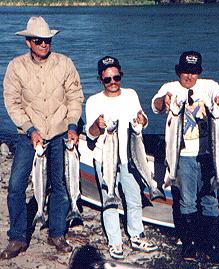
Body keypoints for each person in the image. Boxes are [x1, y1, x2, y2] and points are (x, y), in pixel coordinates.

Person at [1, 16, 84, 259]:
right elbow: (12, 103)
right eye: (38, 41)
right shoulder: (16, 67)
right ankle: (17, 237)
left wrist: (72, 125)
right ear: (28, 42)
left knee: (58, 186)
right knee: (16, 186)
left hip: (59, 134)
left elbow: (75, 97)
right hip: (29, 137)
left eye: (47, 40)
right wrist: (30, 129)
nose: (44, 45)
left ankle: (57, 233)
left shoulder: (65, 63)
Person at [151, 51, 219, 264]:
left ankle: (210, 244)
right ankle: (190, 244)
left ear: (200, 72)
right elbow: (156, 105)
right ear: (178, 71)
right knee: (187, 202)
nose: (189, 76)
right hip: (183, 156)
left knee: (210, 200)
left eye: (194, 72)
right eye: (185, 71)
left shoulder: (208, 85)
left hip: (208, 155)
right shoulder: (170, 88)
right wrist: (164, 101)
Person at [85, 56, 158, 260]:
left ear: (121, 76)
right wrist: (96, 127)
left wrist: (143, 121)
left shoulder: (131, 95)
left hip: (130, 159)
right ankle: (115, 242)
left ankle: (136, 235)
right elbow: (90, 135)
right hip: (105, 159)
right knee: (109, 200)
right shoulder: (93, 101)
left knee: (134, 198)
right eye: (107, 79)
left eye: (116, 77)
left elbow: (142, 121)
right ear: (100, 80)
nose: (113, 82)